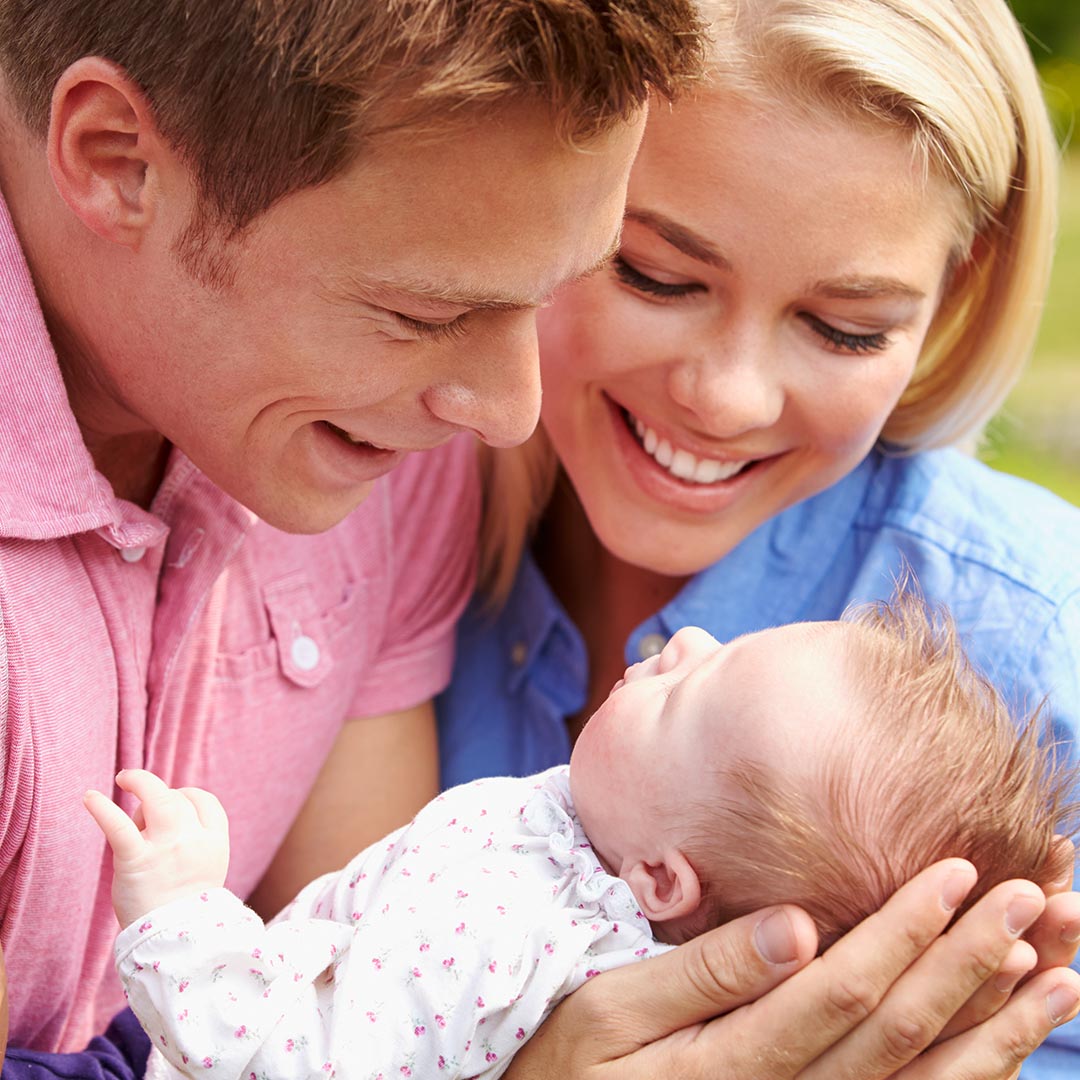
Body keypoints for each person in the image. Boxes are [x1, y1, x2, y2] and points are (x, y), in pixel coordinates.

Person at [0, 0, 702, 1070]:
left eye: (552, 289)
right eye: (424, 315)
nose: (510, 412)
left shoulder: (362, 434)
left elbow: (362, 1000)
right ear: (114, 162)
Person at [435, 0, 1080, 1076]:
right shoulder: (382, 526)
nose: (727, 400)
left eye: (845, 328)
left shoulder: (1039, 632)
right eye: (653, 273)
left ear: (951, 300)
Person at [86, 597, 1078, 1080]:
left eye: (695, 688)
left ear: (659, 879)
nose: (682, 643)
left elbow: (289, 1065)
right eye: (722, 645)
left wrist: (182, 911)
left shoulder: (509, 934)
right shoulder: (592, 836)